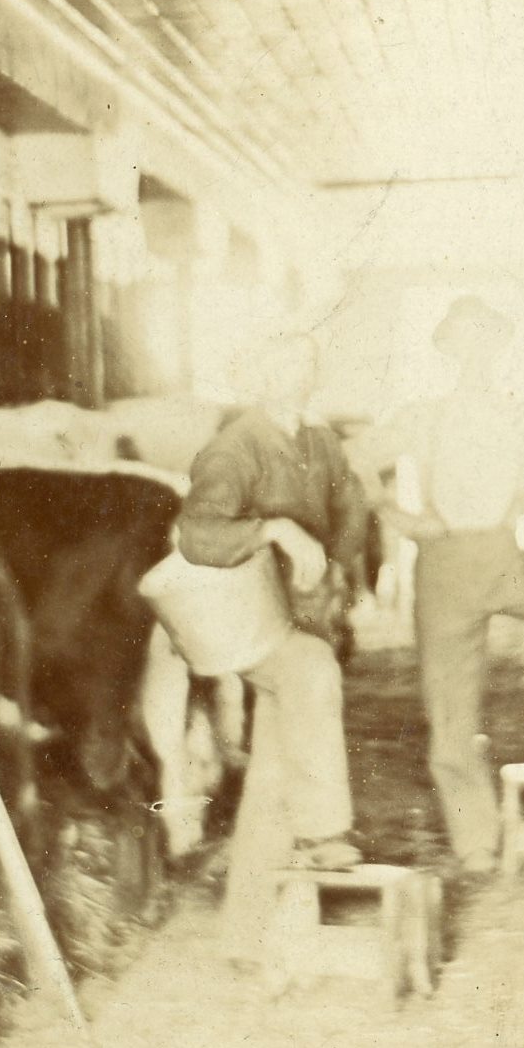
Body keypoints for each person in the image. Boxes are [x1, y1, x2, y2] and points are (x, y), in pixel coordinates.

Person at [350, 295, 524, 875]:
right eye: (463, 338)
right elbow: (351, 459)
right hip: (443, 564)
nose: (475, 349)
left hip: (507, 557)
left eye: (487, 337)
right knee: (450, 711)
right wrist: (395, 512)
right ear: (446, 347)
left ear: (500, 346)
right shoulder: (420, 415)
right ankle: (475, 840)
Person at [173, 327, 370, 871]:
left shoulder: (320, 442)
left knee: (277, 767)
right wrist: (273, 529)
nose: (301, 375)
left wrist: (336, 565)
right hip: (249, 619)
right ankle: (322, 834)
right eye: (285, 364)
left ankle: (250, 930)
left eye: (308, 361)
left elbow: (353, 504)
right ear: (254, 376)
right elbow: (196, 535)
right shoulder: (235, 448)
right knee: (312, 673)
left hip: (306, 615)